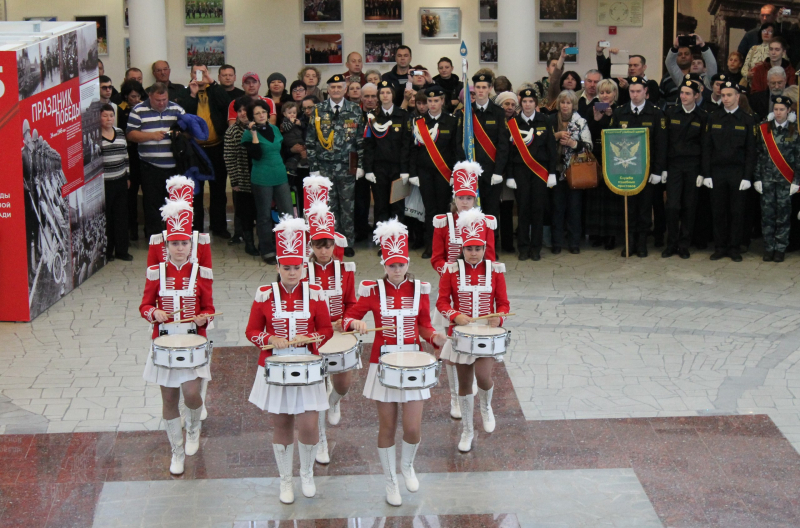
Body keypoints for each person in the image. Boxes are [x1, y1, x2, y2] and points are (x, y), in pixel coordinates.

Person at [343, 219, 447, 507]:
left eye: (401, 265)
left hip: (413, 364)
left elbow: (424, 326)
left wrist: (434, 337)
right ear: (384, 264)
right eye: (391, 265)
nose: (397, 269)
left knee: (412, 427)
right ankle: (390, 480)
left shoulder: (420, 290)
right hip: (383, 364)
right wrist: (355, 324)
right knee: (387, 426)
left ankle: (407, 466)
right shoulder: (372, 291)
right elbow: (348, 317)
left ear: (407, 263)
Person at [244, 215, 333, 504]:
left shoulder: (317, 294)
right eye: (286, 268)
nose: (292, 273)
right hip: (275, 367)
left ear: (304, 268)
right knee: (281, 424)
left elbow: (326, 330)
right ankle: (285, 480)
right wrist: (269, 340)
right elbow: (252, 330)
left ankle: (306, 473)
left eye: (296, 268)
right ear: (278, 267)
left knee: (308, 425)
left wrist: (316, 339)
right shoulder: (264, 295)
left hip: (307, 366)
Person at [139, 199, 215, 476]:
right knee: (169, 399)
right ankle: (177, 451)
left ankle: (193, 428)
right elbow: (144, 305)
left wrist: (203, 317)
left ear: (191, 246)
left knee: (192, 393)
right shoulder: (156, 272)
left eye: (184, 243)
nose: (179, 248)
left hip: (193, 341)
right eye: (174, 243)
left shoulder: (200, 274)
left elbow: (210, 308)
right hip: (164, 344)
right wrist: (154, 312)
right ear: (167, 246)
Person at [436, 209, 510, 452]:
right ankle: (467, 429)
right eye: (469, 248)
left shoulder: (495, 270)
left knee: (484, 376)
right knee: (465, 382)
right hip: (461, 334)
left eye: (478, 248)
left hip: (486, 336)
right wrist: (455, 315)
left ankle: (486, 407)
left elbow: (504, 303)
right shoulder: (451, 270)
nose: (474, 253)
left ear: (484, 247)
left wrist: (498, 317)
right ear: (463, 249)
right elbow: (442, 302)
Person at [431, 162, 498, 417]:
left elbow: (489, 258)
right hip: (451, 292)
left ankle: (473, 394)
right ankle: (454, 398)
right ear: (454, 197)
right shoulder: (444, 222)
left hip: (476, 294)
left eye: (470, 197)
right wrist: (449, 274)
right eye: (461, 197)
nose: (466, 202)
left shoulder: (484, 223)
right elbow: (436, 257)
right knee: (449, 346)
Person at [303, 202, 357, 464]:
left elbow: (351, 303)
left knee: (343, 385)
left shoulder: (346, 270)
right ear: (310, 246)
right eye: (318, 245)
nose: (323, 250)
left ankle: (335, 401)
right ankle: (322, 441)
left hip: (339, 336)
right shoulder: (301, 272)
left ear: (335, 246)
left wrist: (346, 320)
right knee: (317, 388)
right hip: (313, 339)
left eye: (328, 245)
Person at [305, 74, 365, 255]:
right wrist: (314, 167)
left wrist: (360, 164)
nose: (336, 90)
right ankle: (330, 241)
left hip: (347, 166)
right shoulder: (318, 110)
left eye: (340, 87)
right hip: (324, 167)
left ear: (345, 89)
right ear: (328, 90)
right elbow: (310, 140)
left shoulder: (355, 109)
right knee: (328, 207)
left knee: (348, 206)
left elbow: (360, 140)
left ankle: (347, 243)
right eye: (333, 87)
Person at [608, 77, 668, 257]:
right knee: (628, 208)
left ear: (645, 92)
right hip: (625, 169)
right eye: (632, 91)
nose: (635, 95)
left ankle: (642, 244)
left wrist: (658, 170)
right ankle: (629, 243)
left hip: (647, 171)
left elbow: (661, 144)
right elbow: (612, 140)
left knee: (644, 208)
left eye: (638, 91)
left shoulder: (656, 113)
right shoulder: (620, 113)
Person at [702, 81, 757, 262]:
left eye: (729, 95)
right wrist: (707, 174)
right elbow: (707, 148)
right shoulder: (713, 117)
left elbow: (751, 151)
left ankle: (734, 247)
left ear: (737, 96)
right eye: (723, 95)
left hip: (737, 172)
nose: (725, 98)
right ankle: (720, 246)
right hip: (717, 172)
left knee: (737, 211)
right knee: (718, 211)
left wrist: (747, 176)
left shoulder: (747, 119)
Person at [177, 63, 233, 238]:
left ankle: (219, 227)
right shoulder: (186, 92)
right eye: (196, 72)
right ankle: (197, 228)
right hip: (195, 149)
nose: (199, 75)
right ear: (191, 73)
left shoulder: (215, 90)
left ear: (208, 73)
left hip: (216, 147)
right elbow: (184, 114)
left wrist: (212, 83)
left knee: (218, 190)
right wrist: (193, 94)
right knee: (196, 191)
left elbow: (225, 104)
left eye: (203, 72)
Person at [408, 85, 465, 258]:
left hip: (444, 173)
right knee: (429, 210)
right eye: (429, 101)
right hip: (424, 172)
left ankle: (446, 246)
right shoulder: (418, 122)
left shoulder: (452, 121)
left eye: (436, 101)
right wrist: (413, 173)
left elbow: (456, 149)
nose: (432, 104)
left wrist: (456, 173)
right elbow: (412, 150)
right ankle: (431, 246)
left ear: (442, 101)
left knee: (444, 210)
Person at [125, 82, 185, 238]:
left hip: (174, 166)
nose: (161, 103)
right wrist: (151, 136)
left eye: (164, 99)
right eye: (158, 100)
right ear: (150, 96)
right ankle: (154, 237)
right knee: (152, 203)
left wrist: (180, 135)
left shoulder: (177, 109)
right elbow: (131, 134)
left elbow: (189, 132)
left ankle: (175, 236)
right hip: (149, 165)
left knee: (175, 203)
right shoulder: (138, 110)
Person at [507, 88, 558, 261]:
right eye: (525, 101)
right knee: (523, 210)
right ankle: (523, 247)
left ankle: (535, 248)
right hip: (520, 170)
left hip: (540, 171)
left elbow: (551, 149)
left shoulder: (545, 120)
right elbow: (508, 153)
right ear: (520, 103)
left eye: (531, 101)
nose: (528, 104)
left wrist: (551, 173)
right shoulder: (513, 123)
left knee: (538, 209)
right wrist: (510, 175)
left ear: (536, 103)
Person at [662, 76, 708, 259]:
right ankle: (671, 243)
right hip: (674, 165)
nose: (683, 96)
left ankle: (684, 244)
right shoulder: (671, 113)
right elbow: (665, 142)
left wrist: (703, 172)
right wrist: (663, 168)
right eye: (682, 92)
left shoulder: (703, 116)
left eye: (688, 93)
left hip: (693, 166)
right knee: (672, 206)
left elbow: (705, 146)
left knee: (689, 206)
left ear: (696, 96)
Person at [242, 100, 293, 264]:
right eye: (257, 113)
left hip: (280, 175)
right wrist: (254, 133)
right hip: (262, 177)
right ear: (252, 117)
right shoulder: (247, 134)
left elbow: (281, 150)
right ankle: (267, 249)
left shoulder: (275, 129)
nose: (261, 115)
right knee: (264, 216)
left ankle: (288, 246)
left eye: (263, 111)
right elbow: (255, 155)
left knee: (287, 213)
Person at [466, 72, 510, 247]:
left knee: (491, 212)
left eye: (484, 87)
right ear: (474, 89)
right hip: (471, 171)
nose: (481, 91)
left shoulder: (498, 113)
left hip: (492, 171)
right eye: (478, 87)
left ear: (490, 89)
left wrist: (499, 171)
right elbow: (459, 144)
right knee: (473, 212)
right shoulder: (467, 113)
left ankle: (490, 247)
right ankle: (473, 246)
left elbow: (503, 145)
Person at [363, 81, 410, 239]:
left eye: (388, 92)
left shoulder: (403, 115)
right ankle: (383, 240)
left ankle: (398, 240)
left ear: (393, 95)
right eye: (382, 93)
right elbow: (368, 145)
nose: (385, 95)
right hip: (379, 170)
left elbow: (405, 145)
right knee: (381, 206)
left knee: (398, 205)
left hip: (398, 169)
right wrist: (368, 169)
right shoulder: (372, 117)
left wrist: (405, 169)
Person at [754, 95, 799, 262]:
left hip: (785, 181)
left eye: (782, 110)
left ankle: (780, 248)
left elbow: (798, 157)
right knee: (767, 216)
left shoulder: (795, 130)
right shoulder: (764, 129)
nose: (778, 112)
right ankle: (768, 248)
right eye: (776, 109)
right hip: (766, 179)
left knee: (784, 216)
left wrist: (797, 180)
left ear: (788, 111)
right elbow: (758, 155)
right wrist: (757, 177)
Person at [550, 90, 592, 254]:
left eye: (568, 103)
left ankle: (574, 243)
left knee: (574, 209)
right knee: (557, 209)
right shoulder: (551, 120)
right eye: (562, 102)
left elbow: (589, 146)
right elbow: (543, 139)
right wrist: (556, 135)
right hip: (555, 172)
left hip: (575, 172)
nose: (565, 105)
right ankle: (556, 243)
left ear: (573, 105)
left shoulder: (580, 122)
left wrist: (573, 143)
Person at [224, 97, 258, 256]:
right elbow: (229, 157)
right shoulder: (232, 131)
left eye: (246, 110)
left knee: (261, 211)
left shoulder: (258, 127)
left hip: (260, 176)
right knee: (245, 212)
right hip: (243, 178)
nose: (243, 113)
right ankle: (249, 243)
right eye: (239, 111)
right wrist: (235, 181)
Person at [99, 104, 132, 262]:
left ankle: (122, 250)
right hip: (105, 183)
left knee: (121, 217)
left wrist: (127, 176)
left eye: (111, 115)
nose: (108, 119)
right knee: (108, 218)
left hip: (120, 180)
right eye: (105, 116)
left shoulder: (119, 132)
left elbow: (125, 155)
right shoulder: (96, 136)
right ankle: (108, 251)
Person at [117, 80, 145, 242]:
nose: (136, 99)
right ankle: (131, 228)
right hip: (128, 153)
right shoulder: (120, 110)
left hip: (142, 152)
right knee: (130, 194)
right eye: (132, 96)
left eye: (138, 96)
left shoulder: (143, 108)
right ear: (126, 96)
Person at [494, 90, 521, 253]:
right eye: (506, 104)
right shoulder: (494, 120)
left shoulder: (517, 123)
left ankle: (508, 243)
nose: (509, 107)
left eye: (512, 104)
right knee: (493, 209)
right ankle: (493, 242)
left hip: (511, 172)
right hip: (495, 170)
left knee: (507, 209)